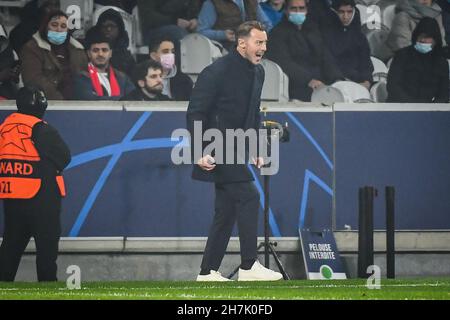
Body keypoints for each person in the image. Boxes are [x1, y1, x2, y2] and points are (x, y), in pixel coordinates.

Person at [187, 21, 283, 282]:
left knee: (226, 211)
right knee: (250, 196)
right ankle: (249, 266)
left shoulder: (259, 72)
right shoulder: (216, 71)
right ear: (242, 43)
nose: (263, 47)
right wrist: (198, 151)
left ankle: (207, 273)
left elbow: (253, 111)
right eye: (258, 42)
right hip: (215, 146)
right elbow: (195, 111)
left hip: (236, 148)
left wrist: (256, 146)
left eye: (265, 43)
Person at [0, 86, 71, 281]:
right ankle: (47, 288)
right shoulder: (41, 128)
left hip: (12, 197)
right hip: (42, 196)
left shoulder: (4, 128)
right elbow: (64, 157)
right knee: (46, 251)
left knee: (10, 249)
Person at [265, 0, 343, 101]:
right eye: (293, 8)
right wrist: (308, 80)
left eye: (301, 8)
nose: (298, 12)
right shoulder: (277, 34)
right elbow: (284, 63)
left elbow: (325, 57)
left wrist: (337, 78)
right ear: (286, 10)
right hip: (294, 89)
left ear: (306, 10)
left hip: (321, 86)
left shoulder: (313, 30)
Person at [20, 10, 88, 100]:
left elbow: (84, 77)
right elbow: (33, 79)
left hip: (77, 104)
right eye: (54, 25)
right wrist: (59, 101)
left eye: (63, 26)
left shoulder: (77, 49)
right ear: (45, 27)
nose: (59, 29)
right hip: (47, 103)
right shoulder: (32, 48)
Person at [387, 17, 449, 103]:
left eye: (427, 37)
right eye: (420, 36)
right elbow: (393, 86)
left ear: (435, 40)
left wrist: (432, 108)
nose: (423, 40)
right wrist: (413, 106)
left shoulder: (441, 62)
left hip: (427, 111)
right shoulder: (402, 56)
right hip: (400, 107)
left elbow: (444, 93)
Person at [322, 0, 373, 89]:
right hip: (335, 83)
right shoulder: (324, 36)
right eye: (341, 12)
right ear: (334, 12)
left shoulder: (360, 37)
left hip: (359, 83)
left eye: (349, 12)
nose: (346, 17)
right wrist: (338, 80)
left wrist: (367, 80)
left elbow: (366, 62)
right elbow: (327, 63)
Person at [72, 27, 135, 100]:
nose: (100, 54)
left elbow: (133, 99)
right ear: (89, 53)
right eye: (95, 50)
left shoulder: (122, 78)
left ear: (110, 53)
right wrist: (121, 99)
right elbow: (91, 101)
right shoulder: (81, 77)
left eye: (104, 50)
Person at [197, 0, 273, 50]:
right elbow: (200, 32)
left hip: (252, 49)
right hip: (225, 51)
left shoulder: (251, 2)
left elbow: (268, 25)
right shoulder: (212, 3)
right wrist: (223, 35)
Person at [95, 8, 136, 77]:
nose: (108, 29)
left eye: (112, 26)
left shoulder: (126, 57)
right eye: (104, 26)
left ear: (119, 29)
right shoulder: (92, 52)